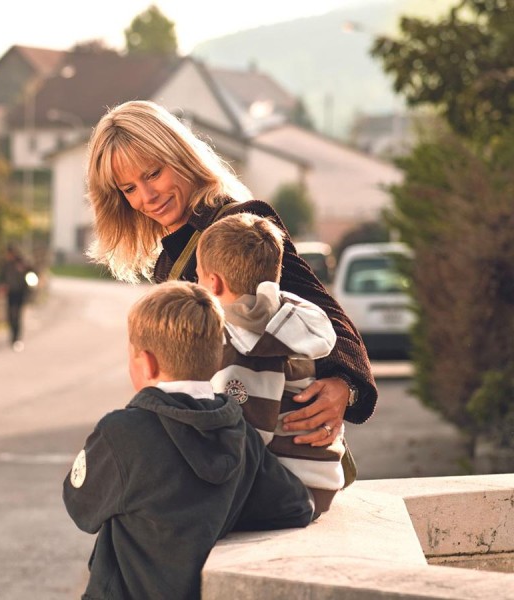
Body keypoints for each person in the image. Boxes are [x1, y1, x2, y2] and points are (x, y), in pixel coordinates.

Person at [85, 99, 376, 458]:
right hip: (218, 448)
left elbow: (329, 317)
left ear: (180, 157)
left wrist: (345, 386)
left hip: (276, 452)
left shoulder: (240, 223)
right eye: (128, 189)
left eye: (153, 174)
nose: (146, 197)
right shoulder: (167, 263)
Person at [63, 281, 315, 600]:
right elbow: (295, 507)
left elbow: (81, 508)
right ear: (215, 358)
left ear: (147, 362)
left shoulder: (122, 434)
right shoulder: (240, 433)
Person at [197, 212, 345, 515]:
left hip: (288, 489)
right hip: (319, 478)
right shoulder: (289, 319)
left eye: (197, 275)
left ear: (213, 282)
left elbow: (246, 434)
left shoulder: (242, 344)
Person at [0, 245, 32, 351]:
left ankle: (17, 338)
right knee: (10, 315)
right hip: (10, 293)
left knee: (17, 315)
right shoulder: (5, 264)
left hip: (20, 293)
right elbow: (1, 277)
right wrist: (2, 286)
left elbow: (30, 272)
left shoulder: (21, 263)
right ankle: (12, 335)